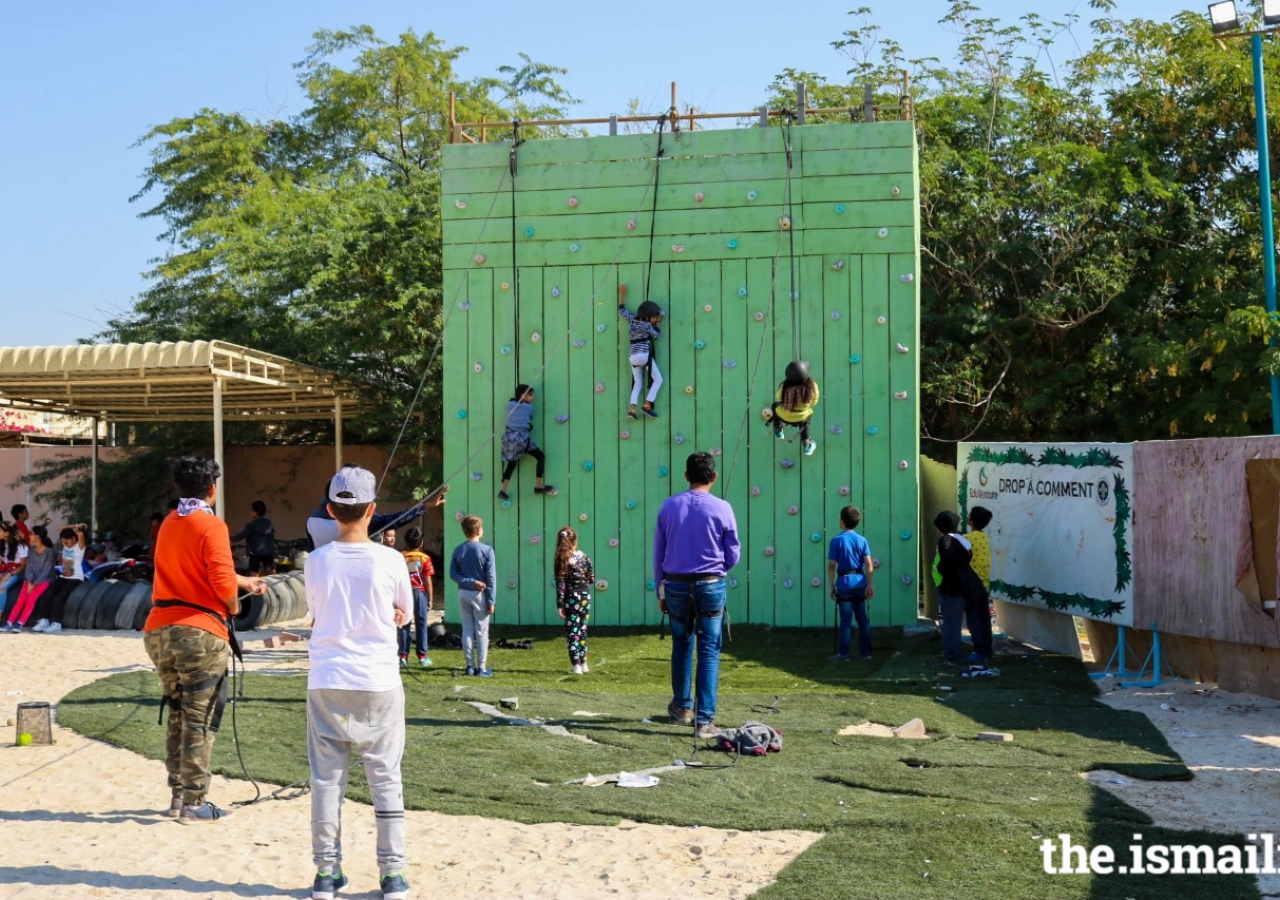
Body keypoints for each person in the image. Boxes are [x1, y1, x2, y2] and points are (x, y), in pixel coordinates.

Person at [304, 465, 412, 900]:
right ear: (372, 510)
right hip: (378, 680)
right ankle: (393, 877)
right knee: (386, 778)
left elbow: (317, 610)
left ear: (331, 510)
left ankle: (327, 875)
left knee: (326, 781)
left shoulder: (316, 560)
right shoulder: (391, 559)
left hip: (327, 678)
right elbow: (402, 610)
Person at [142, 456, 267, 823]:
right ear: (212, 489)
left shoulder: (168, 523)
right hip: (199, 631)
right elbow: (223, 585)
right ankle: (196, 802)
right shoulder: (212, 525)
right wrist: (233, 600)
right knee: (200, 718)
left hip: (159, 629)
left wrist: (246, 582)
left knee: (178, 712)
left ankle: (178, 796)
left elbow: (192, 572)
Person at [653, 451, 741, 738]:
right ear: (713, 477)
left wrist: (661, 590)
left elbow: (659, 553)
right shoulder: (723, 508)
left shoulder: (668, 506)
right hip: (711, 584)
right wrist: (719, 568)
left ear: (686, 476)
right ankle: (704, 721)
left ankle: (681, 707)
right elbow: (733, 554)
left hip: (675, 584)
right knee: (709, 651)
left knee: (681, 645)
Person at [306, 464, 446, 550]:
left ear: (330, 507)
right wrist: (424, 506)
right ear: (370, 510)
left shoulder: (312, 521)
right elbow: (394, 520)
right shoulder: (389, 559)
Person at [934, 510, 987, 665]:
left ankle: (951, 656)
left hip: (953, 586)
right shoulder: (962, 540)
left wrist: (941, 568)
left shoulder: (945, 540)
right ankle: (981, 650)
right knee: (974, 620)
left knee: (951, 623)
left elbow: (948, 558)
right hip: (971, 584)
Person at [449, 515, 496, 676]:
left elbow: (453, 574)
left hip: (463, 592)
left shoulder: (458, 550)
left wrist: (468, 582)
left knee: (467, 629)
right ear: (478, 531)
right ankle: (481, 667)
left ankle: (469, 666)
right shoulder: (487, 550)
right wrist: (491, 600)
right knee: (482, 631)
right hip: (480, 594)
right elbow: (491, 578)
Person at [827, 506, 875, 661]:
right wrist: (870, 584)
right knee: (862, 618)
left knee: (846, 620)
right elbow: (868, 564)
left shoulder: (836, 541)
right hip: (860, 582)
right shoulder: (862, 540)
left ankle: (843, 653)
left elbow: (832, 565)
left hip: (844, 583)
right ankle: (865, 653)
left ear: (841, 522)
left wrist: (831, 585)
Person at [497, 384, 556, 500]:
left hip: (509, 438)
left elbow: (513, 407)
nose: (532, 397)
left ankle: (503, 490)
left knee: (512, 463)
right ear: (523, 395)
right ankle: (538, 485)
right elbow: (531, 416)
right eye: (530, 395)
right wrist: (529, 426)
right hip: (521, 439)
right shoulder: (528, 407)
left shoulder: (510, 405)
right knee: (540, 456)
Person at [27, 523, 88, 633]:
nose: (65, 544)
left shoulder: (79, 547)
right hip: (63, 576)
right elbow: (60, 528)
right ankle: (44, 620)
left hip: (76, 577)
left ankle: (57, 624)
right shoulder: (65, 545)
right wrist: (75, 525)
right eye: (63, 542)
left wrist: (78, 527)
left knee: (59, 598)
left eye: (67, 541)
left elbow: (80, 534)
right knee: (47, 594)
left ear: (74, 538)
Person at [618, 283, 664, 419]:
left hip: (633, 356)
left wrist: (622, 293)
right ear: (649, 316)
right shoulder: (647, 325)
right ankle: (647, 405)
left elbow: (621, 310)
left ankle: (632, 410)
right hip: (644, 355)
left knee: (638, 383)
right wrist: (658, 324)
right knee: (658, 380)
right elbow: (656, 335)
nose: (656, 318)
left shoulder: (633, 319)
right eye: (655, 316)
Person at [553, 526, 594, 675]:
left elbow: (560, 585)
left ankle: (576, 664)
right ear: (575, 542)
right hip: (585, 597)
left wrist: (560, 604)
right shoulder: (585, 558)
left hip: (571, 598)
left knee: (573, 632)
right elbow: (591, 578)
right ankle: (584, 663)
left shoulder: (561, 560)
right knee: (583, 630)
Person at [1, 525, 51, 631]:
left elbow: (46, 571)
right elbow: (29, 568)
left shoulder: (49, 552)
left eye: (31, 534)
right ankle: (9, 622)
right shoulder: (31, 550)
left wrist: (35, 583)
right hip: (29, 579)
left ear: (38, 536)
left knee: (31, 598)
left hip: (44, 580)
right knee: (21, 599)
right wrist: (29, 581)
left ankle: (20, 623)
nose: (28, 536)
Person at [769, 360, 820, 456]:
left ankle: (778, 430)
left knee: (775, 406)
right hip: (801, 417)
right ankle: (807, 445)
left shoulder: (784, 386)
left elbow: (779, 397)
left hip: (784, 415)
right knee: (806, 423)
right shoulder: (813, 387)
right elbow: (814, 402)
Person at [400, 526, 434, 668]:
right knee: (421, 623)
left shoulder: (400, 556)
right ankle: (422, 656)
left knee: (403, 624)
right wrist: (430, 599)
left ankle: (403, 656)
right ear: (421, 543)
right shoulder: (425, 558)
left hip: (404, 593)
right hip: (419, 592)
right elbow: (427, 580)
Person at [964, 506, 994, 661]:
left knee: (974, 619)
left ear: (972, 520)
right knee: (984, 618)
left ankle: (979, 650)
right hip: (984, 584)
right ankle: (987, 649)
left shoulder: (969, 539)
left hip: (972, 585)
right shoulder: (984, 537)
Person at [232, 500, 276, 575]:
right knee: (272, 572)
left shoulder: (251, 525)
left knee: (254, 573)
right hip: (268, 552)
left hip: (255, 553)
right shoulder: (268, 523)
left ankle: (256, 586)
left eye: (252, 510)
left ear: (255, 513)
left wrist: (229, 538)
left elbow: (241, 536)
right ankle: (277, 585)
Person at [0, 521, 27, 621]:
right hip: (6, 571)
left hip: (18, 572)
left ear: (6, 533)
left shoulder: (21, 546)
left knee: (2, 587)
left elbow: (23, 566)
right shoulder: (1, 544)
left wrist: (9, 574)